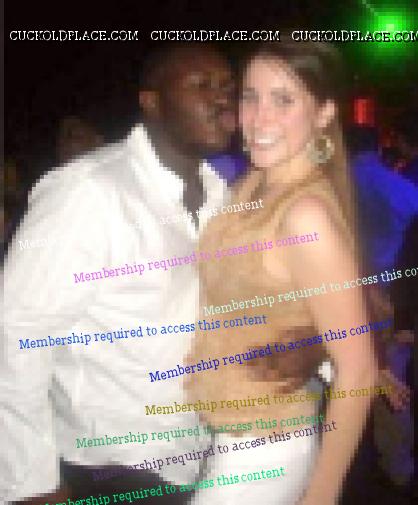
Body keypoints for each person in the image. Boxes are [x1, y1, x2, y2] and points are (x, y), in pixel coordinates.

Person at [1, 44, 235, 504]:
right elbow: (17, 332)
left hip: (195, 456)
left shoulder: (220, 197)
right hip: (106, 464)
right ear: (152, 102)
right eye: (201, 85)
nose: (222, 98)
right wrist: (30, 483)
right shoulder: (90, 191)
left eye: (228, 87)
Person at [186, 40, 382, 505]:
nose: (259, 118)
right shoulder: (254, 183)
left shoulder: (304, 215)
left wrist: (322, 492)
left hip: (265, 450)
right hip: (225, 435)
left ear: (324, 113)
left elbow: (358, 370)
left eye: (283, 99)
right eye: (250, 97)